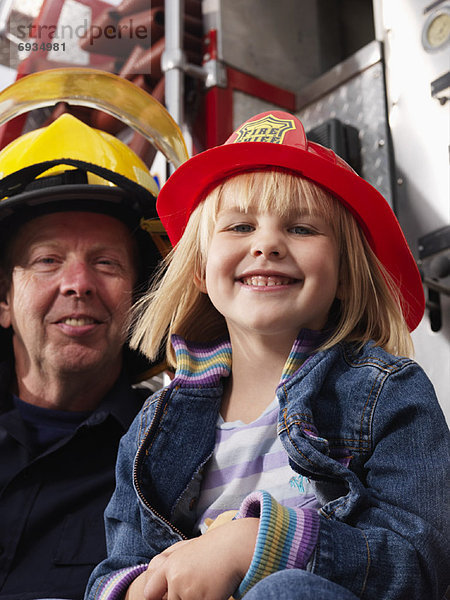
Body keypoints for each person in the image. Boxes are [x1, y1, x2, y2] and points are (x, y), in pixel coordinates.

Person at [85, 111, 449, 600]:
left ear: (343, 274)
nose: (267, 244)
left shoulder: (387, 392)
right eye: (239, 226)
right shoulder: (153, 427)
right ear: (199, 269)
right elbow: (112, 573)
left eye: (301, 229)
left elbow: (423, 565)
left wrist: (258, 543)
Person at [0, 113, 169, 600]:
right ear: (4, 300)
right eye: (47, 259)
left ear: (139, 302)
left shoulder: (171, 454)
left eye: (106, 262)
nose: (78, 283)